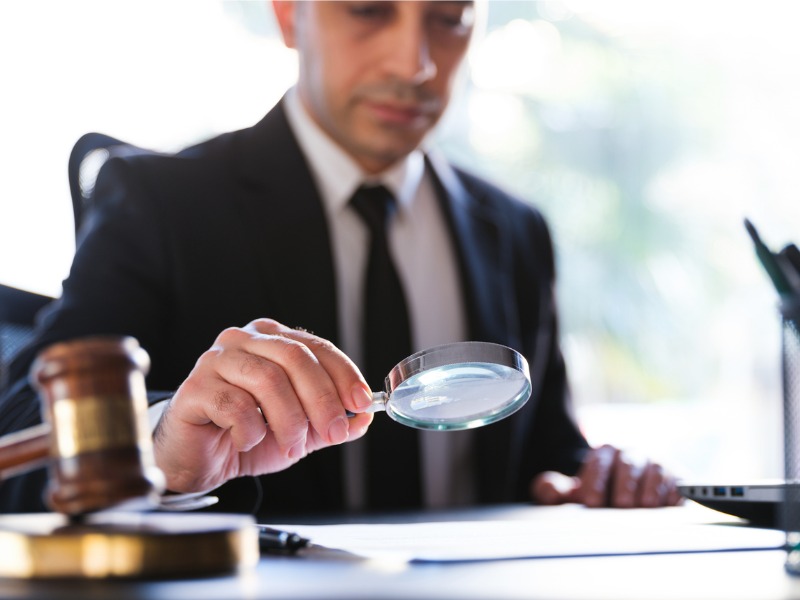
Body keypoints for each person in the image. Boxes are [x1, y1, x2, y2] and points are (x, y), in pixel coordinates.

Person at [0, 0, 681, 516]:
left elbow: (543, 454)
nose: (414, 63)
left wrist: (596, 478)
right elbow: (22, 423)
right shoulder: (159, 201)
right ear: (289, 13)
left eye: (449, 18)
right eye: (369, 9)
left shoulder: (517, 230)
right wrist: (161, 446)